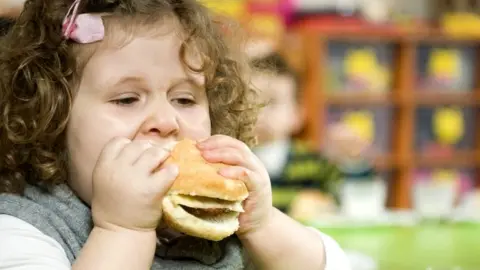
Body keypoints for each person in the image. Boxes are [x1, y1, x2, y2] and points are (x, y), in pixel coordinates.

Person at [0, 0, 351, 269]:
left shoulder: (220, 223)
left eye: (184, 99)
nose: (166, 121)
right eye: (127, 99)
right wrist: (123, 231)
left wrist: (262, 223)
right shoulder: (21, 228)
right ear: (50, 117)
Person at [250, 51, 374, 215]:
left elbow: (352, 195)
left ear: (297, 115)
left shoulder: (314, 162)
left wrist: (352, 161)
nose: (260, 112)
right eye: (250, 101)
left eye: (272, 102)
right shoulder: (233, 159)